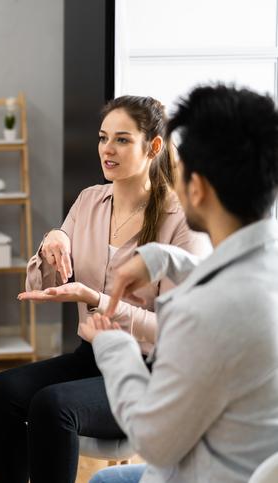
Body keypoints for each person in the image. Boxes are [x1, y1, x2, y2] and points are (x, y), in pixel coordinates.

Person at [0, 95, 211, 482]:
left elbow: (177, 332)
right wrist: (50, 243)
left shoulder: (181, 221)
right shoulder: (89, 201)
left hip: (155, 374)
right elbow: (43, 283)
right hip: (92, 358)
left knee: (53, 406)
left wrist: (97, 300)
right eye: (104, 138)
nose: (107, 149)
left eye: (122, 140)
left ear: (153, 146)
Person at [83, 84, 278, 483]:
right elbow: (234, 277)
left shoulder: (203, 315)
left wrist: (113, 346)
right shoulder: (265, 268)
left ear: (197, 187)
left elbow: (155, 442)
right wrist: (160, 258)